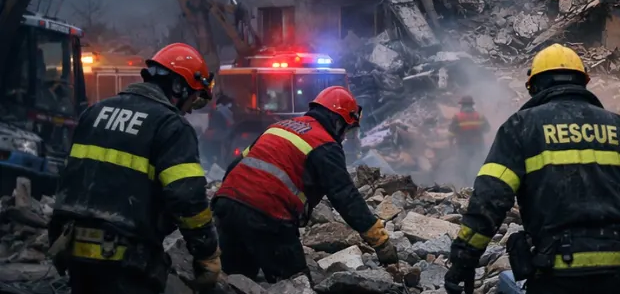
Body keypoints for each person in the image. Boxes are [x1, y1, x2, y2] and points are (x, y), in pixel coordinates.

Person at [445, 43, 620, 294]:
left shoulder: (521, 126)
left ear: (536, 87)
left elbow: (490, 199)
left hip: (555, 275)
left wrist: (464, 259)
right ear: (582, 83)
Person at [50, 43, 221, 294]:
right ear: (178, 88)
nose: (187, 110)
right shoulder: (171, 126)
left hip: (76, 253)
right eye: (192, 99)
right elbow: (188, 199)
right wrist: (207, 254)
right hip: (126, 261)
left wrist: (56, 234)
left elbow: (68, 180)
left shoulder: (94, 113)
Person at [212, 86, 399, 282]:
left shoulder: (280, 126)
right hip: (267, 216)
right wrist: (380, 241)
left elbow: (236, 164)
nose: (344, 137)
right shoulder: (325, 144)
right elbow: (346, 196)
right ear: (337, 122)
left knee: (238, 281)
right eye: (345, 129)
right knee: (296, 282)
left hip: (226, 206)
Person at [450, 95, 490, 182]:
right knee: (478, 165)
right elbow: (487, 129)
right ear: (472, 105)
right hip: (478, 145)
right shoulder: (479, 116)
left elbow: (451, 133)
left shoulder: (457, 117)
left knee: (463, 166)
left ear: (462, 105)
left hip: (462, 145)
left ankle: (465, 184)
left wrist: (450, 145)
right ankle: (478, 182)